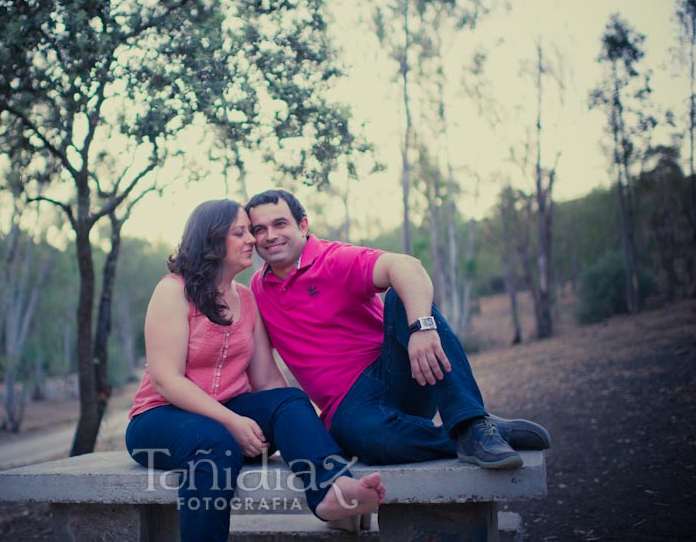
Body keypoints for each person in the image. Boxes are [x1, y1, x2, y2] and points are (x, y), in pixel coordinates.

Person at [125, 200, 385, 542]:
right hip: (159, 420)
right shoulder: (173, 291)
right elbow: (165, 379)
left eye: (250, 231)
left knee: (288, 399)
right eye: (240, 232)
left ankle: (328, 491)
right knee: (214, 444)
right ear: (211, 240)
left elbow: (267, 381)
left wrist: (307, 429)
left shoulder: (247, 299)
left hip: (230, 421)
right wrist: (230, 421)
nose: (252, 240)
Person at [245, 189, 551, 469]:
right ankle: (472, 434)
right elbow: (261, 370)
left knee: (401, 296)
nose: (270, 235)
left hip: (398, 373)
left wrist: (422, 328)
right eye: (260, 229)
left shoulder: (333, 259)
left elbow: (407, 266)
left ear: (302, 225)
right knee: (366, 442)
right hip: (351, 407)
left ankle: (471, 420)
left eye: (280, 224)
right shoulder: (257, 290)